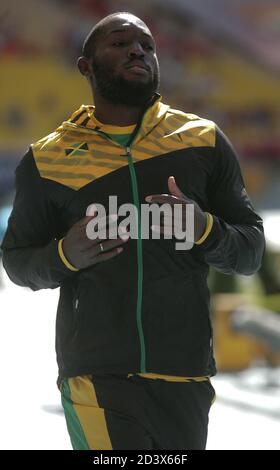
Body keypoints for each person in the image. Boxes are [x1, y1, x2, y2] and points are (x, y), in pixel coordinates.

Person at [1, 12, 265, 450]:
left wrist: (206, 230)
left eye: (146, 44)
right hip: (97, 375)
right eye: (119, 43)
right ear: (86, 66)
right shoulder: (49, 158)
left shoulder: (203, 141)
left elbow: (250, 251)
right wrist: (65, 254)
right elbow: (17, 262)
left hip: (186, 373)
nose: (137, 50)